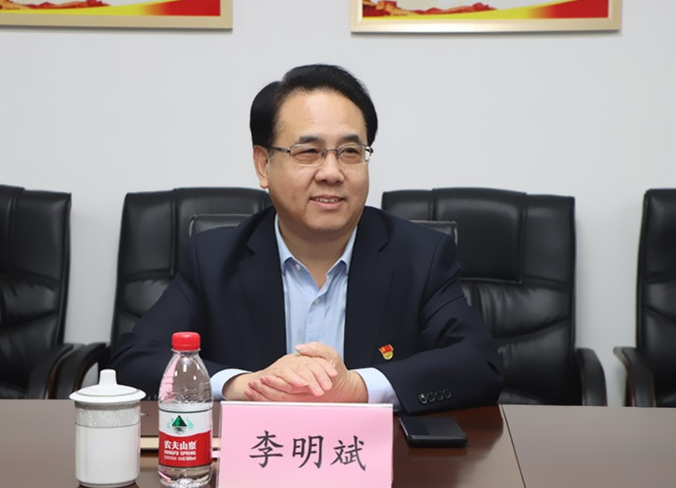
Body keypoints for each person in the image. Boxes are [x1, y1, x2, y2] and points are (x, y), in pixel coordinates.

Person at [108, 64, 503, 414]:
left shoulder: (419, 256)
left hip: (378, 461)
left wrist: (359, 388)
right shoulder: (214, 259)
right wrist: (242, 386)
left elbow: (478, 364)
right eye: (308, 151)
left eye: (350, 151)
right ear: (263, 165)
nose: (331, 172)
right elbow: (134, 360)